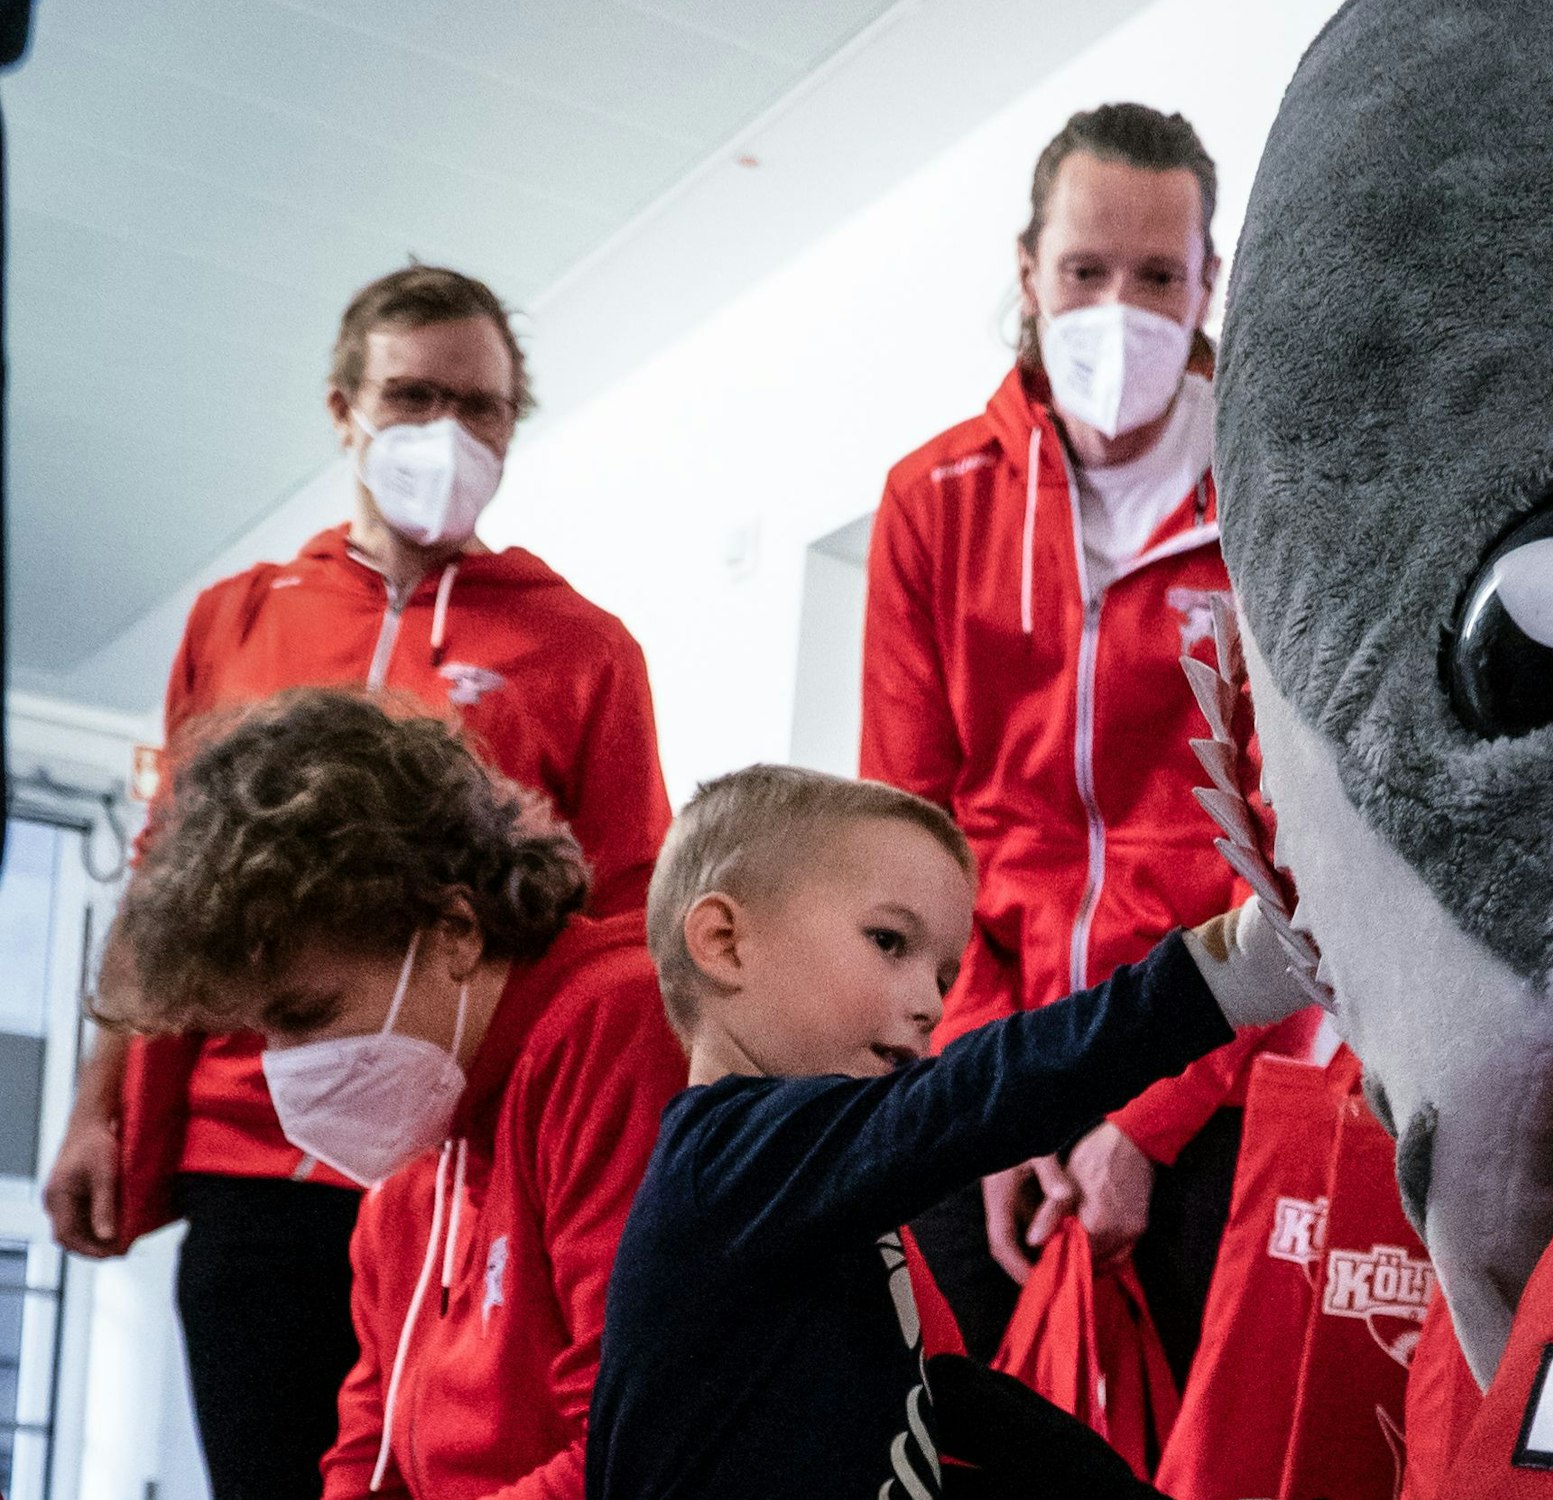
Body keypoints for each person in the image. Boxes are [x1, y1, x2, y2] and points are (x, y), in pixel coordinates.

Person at [41, 264, 672, 1500]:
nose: (448, 431)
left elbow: (619, 907)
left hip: (457, 1140)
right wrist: (97, 1108)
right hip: (245, 1146)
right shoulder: (237, 618)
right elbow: (166, 878)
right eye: (413, 396)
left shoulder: (582, 648)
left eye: (481, 405)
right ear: (345, 409)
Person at [587, 765, 1309, 1500]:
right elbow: (969, 1095)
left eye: (943, 974)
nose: (932, 1006)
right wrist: (1221, 976)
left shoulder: (805, 1188)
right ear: (725, 942)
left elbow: (945, 1405)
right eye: (889, 941)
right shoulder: (725, 1160)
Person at [862, 102, 1272, 1371]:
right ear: (1028, 270)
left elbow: (1295, 844)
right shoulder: (932, 502)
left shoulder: (1275, 495)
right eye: (1085, 271)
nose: (1118, 310)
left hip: (1209, 1066)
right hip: (978, 1058)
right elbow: (902, 835)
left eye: (1157, 277)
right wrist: (995, 1091)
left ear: (1208, 282)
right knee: (956, 1428)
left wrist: (1148, 1119)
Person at [92, 690, 688, 1500]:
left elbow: (638, 1446)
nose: (286, 1069)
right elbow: (365, 1457)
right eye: (264, 1033)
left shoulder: (615, 1025)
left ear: (454, 930)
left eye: (308, 1015)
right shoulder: (413, 1166)